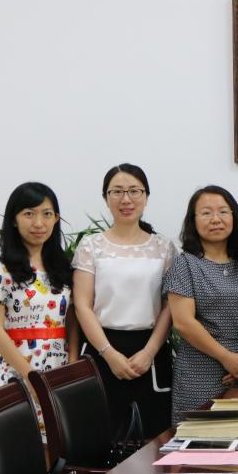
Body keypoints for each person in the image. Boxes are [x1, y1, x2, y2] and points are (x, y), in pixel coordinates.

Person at [73, 164, 177, 438]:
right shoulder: (91, 246)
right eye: (117, 192)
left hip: (151, 351)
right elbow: (82, 305)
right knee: (100, 438)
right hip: (101, 349)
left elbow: (170, 305)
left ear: (146, 196)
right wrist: (109, 353)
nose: (126, 199)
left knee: (155, 440)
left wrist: (149, 351)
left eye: (134, 191)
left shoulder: (163, 247)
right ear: (106, 198)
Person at [164, 186, 238, 423]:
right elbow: (183, 323)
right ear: (193, 221)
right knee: (199, 436)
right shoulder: (185, 264)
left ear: (234, 217)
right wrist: (227, 358)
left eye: (223, 212)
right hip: (198, 370)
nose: (216, 219)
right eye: (206, 213)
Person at [0, 182, 79, 395]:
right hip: (17, 374)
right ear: (14, 220)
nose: (38, 223)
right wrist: (30, 376)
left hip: (60, 370)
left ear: (56, 218)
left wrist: (72, 365)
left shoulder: (63, 266)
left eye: (47, 214)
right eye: (29, 214)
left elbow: (71, 320)